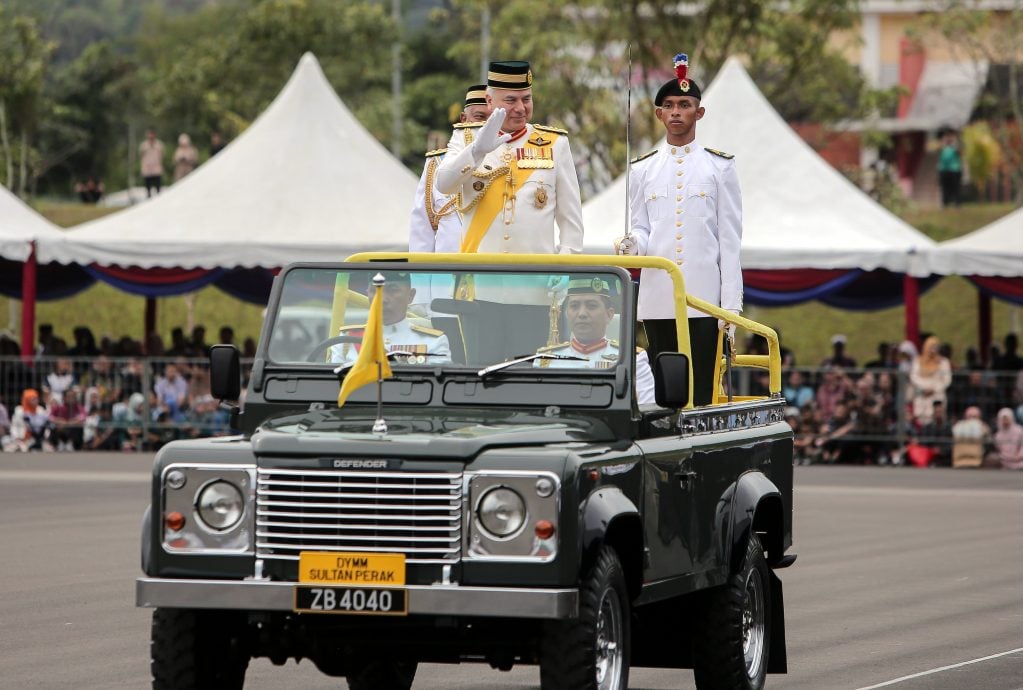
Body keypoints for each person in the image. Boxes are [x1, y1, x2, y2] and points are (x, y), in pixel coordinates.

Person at [620, 52, 742, 406]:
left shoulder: (719, 167)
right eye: (669, 105)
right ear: (659, 114)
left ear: (699, 112)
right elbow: (642, 227)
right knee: (666, 386)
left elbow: (730, 241)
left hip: (704, 297)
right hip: (658, 295)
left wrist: (730, 307)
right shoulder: (643, 170)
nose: (676, 112)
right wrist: (633, 245)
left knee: (701, 386)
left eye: (685, 105)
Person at [435, 60, 584, 255]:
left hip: (535, 279)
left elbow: (571, 220)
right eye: (511, 100)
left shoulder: (555, 144)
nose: (521, 108)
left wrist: (566, 267)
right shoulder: (467, 137)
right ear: (489, 101)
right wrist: (477, 151)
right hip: (480, 277)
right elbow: (444, 184)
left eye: (527, 99)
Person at [534, 278, 655, 404]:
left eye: (591, 306)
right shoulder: (546, 360)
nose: (581, 313)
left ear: (609, 315)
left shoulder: (633, 359)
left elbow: (646, 410)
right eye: (574, 306)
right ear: (566, 313)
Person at [410, 84, 492, 255]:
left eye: (493, 119)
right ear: (464, 119)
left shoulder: (509, 161)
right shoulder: (437, 163)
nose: (486, 125)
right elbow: (422, 229)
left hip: (489, 274)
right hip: (446, 277)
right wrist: (421, 281)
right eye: (480, 117)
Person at [330, 272, 451, 365]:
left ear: (410, 296)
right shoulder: (346, 341)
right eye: (375, 290)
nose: (382, 299)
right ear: (368, 294)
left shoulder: (433, 342)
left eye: (393, 290)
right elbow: (333, 388)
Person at [910, 335, 952, 426]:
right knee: (921, 420)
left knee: (937, 419)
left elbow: (946, 380)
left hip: (937, 395)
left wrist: (934, 389)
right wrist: (925, 388)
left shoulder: (944, 362)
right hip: (922, 395)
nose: (933, 349)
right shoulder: (918, 361)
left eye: (936, 347)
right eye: (931, 346)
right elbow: (914, 377)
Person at [936, 129, 962, 208]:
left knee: (955, 187)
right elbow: (938, 151)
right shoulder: (943, 146)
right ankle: (944, 203)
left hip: (954, 169)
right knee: (944, 188)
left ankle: (957, 203)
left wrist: (954, 143)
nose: (948, 138)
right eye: (947, 136)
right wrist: (944, 143)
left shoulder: (955, 146)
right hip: (943, 169)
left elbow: (960, 152)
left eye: (950, 136)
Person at [139, 128, 165, 197]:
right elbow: (141, 156)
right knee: (148, 188)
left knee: (158, 188)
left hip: (156, 169)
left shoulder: (159, 145)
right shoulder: (144, 145)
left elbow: (162, 156)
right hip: (147, 169)